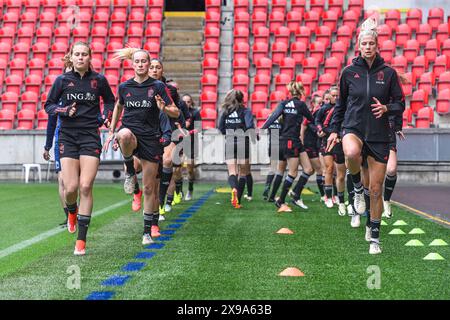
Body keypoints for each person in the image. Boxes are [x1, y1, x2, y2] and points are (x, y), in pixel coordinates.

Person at [327, 17, 405, 254]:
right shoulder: (349, 72)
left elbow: (400, 103)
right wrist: (333, 129)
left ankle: (374, 236)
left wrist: (387, 109)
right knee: (350, 151)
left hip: (380, 135)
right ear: (358, 47)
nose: (368, 47)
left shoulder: (389, 73)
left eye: (372, 43)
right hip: (354, 127)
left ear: (377, 45)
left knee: (377, 190)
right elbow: (340, 104)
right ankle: (356, 190)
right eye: (364, 44)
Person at [44, 42, 115, 256]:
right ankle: (71, 212)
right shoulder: (62, 81)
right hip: (67, 136)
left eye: (84, 54)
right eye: (77, 54)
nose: (80, 57)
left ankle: (81, 241)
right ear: (71, 57)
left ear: (90, 57)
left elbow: (111, 101)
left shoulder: (99, 80)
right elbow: (48, 105)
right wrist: (64, 110)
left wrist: (106, 116)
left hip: (90, 136)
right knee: (71, 188)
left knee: (85, 186)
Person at [104, 48, 174, 245]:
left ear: (148, 63)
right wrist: (111, 130)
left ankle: (146, 232)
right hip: (132, 134)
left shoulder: (158, 86)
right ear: (132, 64)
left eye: (145, 61)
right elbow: (118, 106)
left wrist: (164, 108)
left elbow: (175, 111)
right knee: (123, 134)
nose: (141, 64)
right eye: (138, 61)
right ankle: (129, 171)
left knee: (150, 187)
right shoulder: (125, 86)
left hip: (151, 138)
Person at [261, 81, 314, 212]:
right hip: (290, 141)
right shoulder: (301, 105)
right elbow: (311, 118)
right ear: (301, 92)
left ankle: (295, 194)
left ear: (289, 92)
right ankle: (281, 200)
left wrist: (262, 128)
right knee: (293, 172)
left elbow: (274, 116)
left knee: (308, 169)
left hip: (292, 140)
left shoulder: (283, 104)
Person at [218, 89, 255, 209]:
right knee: (243, 173)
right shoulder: (246, 111)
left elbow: (220, 127)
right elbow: (249, 126)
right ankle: (238, 200)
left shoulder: (225, 111)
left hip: (229, 142)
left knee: (232, 172)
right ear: (242, 99)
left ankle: (233, 188)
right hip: (242, 142)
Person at [300, 94, 325, 203]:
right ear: (313, 104)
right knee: (319, 170)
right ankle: (324, 195)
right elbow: (304, 127)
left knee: (310, 171)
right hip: (309, 145)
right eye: (318, 103)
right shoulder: (310, 115)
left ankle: (296, 191)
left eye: (322, 103)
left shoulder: (320, 114)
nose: (320, 105)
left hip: (315, 145)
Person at [382, 114, 405, 218]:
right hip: (369, 137)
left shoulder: (393, 98)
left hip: (388, 138)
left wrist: (398, 127)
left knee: (391, 170)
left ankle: (386, 200)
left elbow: (398, 109)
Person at [182, 93, 202, 201]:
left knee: (189, 169)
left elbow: (199, 128)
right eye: (184, 101)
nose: (186, 103)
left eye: (188, 101)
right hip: (179, 142)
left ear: (191, 102)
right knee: (176, 169)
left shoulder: (195, 112)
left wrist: (189, 133)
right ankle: (178, 190)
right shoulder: (178, 112)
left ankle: (190, 189)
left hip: (191, 143)